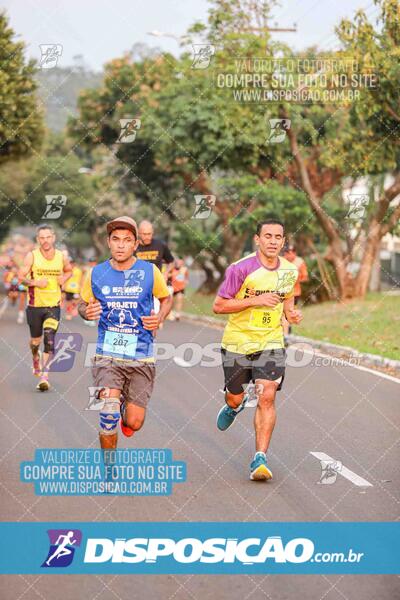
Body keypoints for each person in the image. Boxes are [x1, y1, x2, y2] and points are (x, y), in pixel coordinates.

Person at [213, 220, 302, 481]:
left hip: (271, 342)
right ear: (257, 239)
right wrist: (256, 300)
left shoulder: (289, 270)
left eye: (278, 237)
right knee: (235, 398)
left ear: (283, 241)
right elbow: (219, 306)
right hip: (237, 342)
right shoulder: (240, 269)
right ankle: (233, 406)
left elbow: (287, 299)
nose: (273, 241)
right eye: (268, 236)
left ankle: (259, 458)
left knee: (267, 396)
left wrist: (291, 314)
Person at [78, 216, 172, 450]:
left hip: (141, 355)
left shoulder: (150, 272)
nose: (121, 245)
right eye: (116, 239)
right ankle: (109, 472)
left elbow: (166, 298)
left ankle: (125, 409)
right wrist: (86, 311)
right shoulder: (96, 273)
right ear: (108, 243)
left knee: (134, 422)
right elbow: (81, 303)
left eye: (127, 240)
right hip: (107, 354)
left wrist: (159, 318)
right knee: (108, 415)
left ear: (135, 245)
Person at [18, 225, 72, 391]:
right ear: (38, 240)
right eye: (42, 238)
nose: (45, 240)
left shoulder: (61, 256)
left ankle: (44, 375)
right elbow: (20, 277)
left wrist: (64, 277)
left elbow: (69, 270)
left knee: (49, 339)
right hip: (35, 306)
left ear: (53, 238)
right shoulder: (31, 256)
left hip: (53, 305)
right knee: (36, 341)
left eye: (48, 237)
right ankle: (35, 356)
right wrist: (35, 282)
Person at [283, 244, 309, 337]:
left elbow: (305, 277)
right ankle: (283, 333)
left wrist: (296, 279)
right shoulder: (281, 262)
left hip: (295, 293)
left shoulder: (299, 262)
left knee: (289, 312)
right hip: (281, 292)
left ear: (295, 253)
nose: (289, 255)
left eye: (291, 253)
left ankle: (287, 333)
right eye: (287, 253)